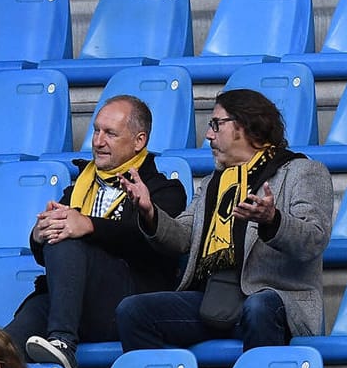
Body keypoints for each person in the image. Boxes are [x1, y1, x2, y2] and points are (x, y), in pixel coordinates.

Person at [114, 89, 333, 352]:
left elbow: (314, 238)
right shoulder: (213, 183)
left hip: (275, 299)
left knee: (258, 306)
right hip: (214, 299)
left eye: (216, 124)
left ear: (245, 126)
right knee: (134, 311)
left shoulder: (302, 171)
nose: (208, 134)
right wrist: (149, 212)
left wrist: (273, 220)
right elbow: (183, 236)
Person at [7, 95, 187, 368]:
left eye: (110, 134)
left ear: (139, 141)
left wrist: (88, 225)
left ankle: (63, 342)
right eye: (96, 130)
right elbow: (54, 253)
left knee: (69, 236)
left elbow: (148, 246)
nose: (98, 141)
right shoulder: (80, 184)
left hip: (123, 307)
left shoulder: (166, 191)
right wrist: (39, 235)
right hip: (68, 301)